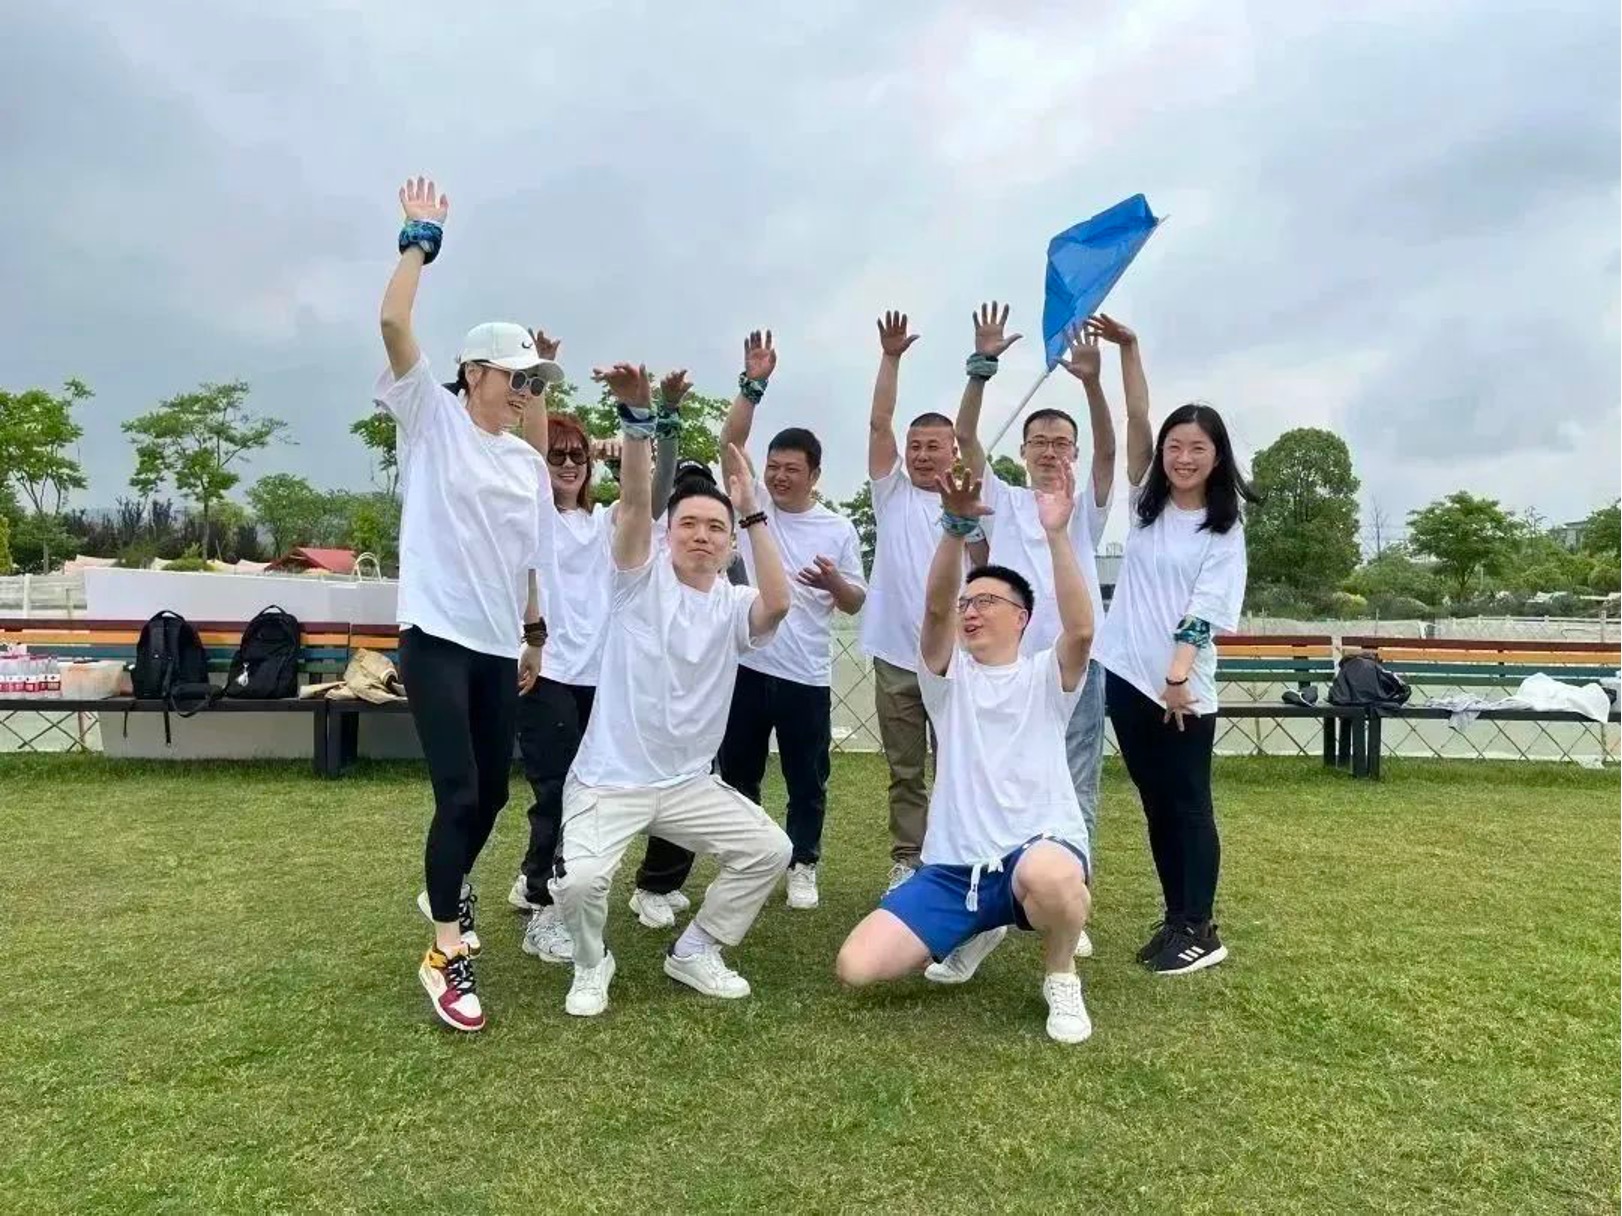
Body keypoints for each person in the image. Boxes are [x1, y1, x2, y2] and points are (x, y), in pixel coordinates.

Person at [374, 176, 564, 1033]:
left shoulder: (524, 463)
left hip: (495, 646)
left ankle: (444, 888)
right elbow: (393, 324)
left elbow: (527, 559)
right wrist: (421, 239)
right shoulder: (432, 419)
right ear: (475, 372)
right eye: (516, 376)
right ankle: (444, 951)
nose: (524, 390)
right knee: (457, 793)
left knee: (489, 797)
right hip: (435, 636)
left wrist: (533, 637)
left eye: (534, 380)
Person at [549, 362, 794, 1017]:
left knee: (769, 851)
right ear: (669, 534)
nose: (701, 535)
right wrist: (637, 421)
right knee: (580, 882)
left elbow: (778, 603)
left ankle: (696, 949)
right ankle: (591, 962)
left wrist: (753, 511)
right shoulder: (638, 581)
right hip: (610, 780)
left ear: (730, 543)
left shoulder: (732, 605)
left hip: (687, 784)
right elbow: (634, 505)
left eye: (715, 527)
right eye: (688, 524)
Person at [835, 463, 1096, 1044]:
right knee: (856, 967)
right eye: (967, 602)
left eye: (987, 601)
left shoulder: (1045, 677)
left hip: (1035, 850)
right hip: (956, 869)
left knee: (1054, 877)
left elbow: (1080, 631)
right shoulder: (948, 680)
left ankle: (1060, 974)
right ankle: (980, 927)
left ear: (1022, 618)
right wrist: (953, 529)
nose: (970, 611)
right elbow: (934, 612)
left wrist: (1057, 533)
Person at [623, 331, 868, 914]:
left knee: (808, 778)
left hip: (805, 673)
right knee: (738, 774)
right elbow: (730, 441)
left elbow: (856, 600)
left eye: (792, 470)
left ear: (815, 474)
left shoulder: (837, 528)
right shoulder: (750, 502)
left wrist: (833, 583)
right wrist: (752, 386)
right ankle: (747, 862)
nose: (779, 477)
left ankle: (803, 863)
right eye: (774, 468)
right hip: (745, 665)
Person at [950, 303, 1120, 960]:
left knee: (1076, 784)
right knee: (997, 782)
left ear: (1073, 452)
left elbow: (1110, 451)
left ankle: (1072, 900)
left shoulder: (1085, 507)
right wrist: (981, 368)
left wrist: (1093, 384)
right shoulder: (1001, 499)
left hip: (1073, 666)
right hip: (1006, 669)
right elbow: (966, 440)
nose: (1050, 452)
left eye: (1061, 443)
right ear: (1022, 452)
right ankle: (995, 899)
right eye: (1039, 442)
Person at [1089, 314, 1254, 975]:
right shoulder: (1145, 506)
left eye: (1198, 449)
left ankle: (1201, 927)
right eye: (1174, 447)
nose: (1183, 458)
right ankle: (1176, 915)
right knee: (1156, 803)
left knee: (1189, 804)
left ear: (1218, 456)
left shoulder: (1223, 527)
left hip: (1178, 689)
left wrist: (1179, 676)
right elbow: (1137, 415)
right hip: (1128, 677)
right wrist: (1128, 349)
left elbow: (1204, 611)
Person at [504, 380, 686, 966]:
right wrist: (535, 385)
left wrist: (662, 421)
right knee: (556, 792)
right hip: (548, 671)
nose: (568, 464)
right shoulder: (537, 518)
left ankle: (535, 877)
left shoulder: (605, 523)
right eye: (558, 455)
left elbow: (651, 495)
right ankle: (543, 907)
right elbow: (531, 456)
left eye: (577, 455)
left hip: (600, 681)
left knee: (590, 794)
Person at [859, 310, 959, 892]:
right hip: (896, 656)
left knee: (956, 764)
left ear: (954, 451)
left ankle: (951, 853)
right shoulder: (891, 493)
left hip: (955, 659)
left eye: (933, 447)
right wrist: (890, 358)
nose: (922, 455)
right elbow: (878, 423)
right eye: (915, 446)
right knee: (905, 769)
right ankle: (908, 858)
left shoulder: (971, 504)